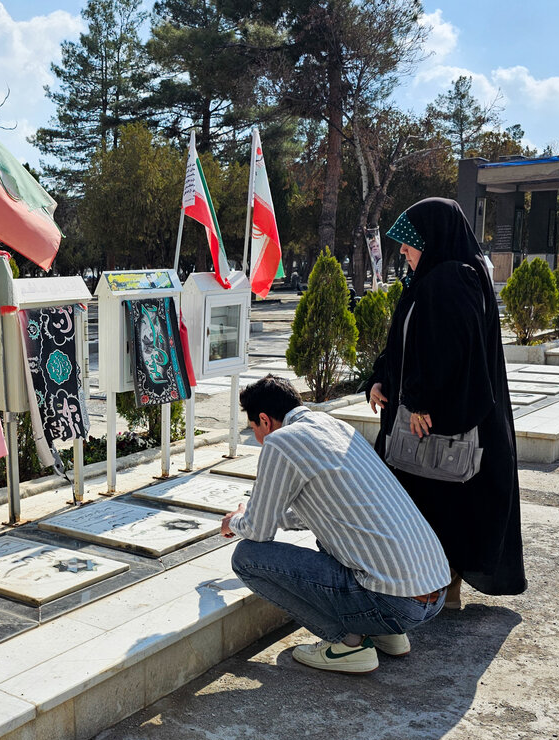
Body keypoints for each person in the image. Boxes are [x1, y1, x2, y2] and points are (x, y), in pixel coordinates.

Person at [222, 376, 451, 675]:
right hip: (433, 591)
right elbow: (320, 512)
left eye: (254, 429)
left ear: (264, 420)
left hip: (395, 604)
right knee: (329, 537)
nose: (257, 438)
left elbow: (257, 532)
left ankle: (349, 644)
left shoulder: (280, 442)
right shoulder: (336, 426)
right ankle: (388, 635)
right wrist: (263, 514)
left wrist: (236, 520)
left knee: (246, 558)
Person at [365, 197, 526, 607]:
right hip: (427, 416)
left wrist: (420, 401)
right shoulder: (441, 276)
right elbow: (407, 340)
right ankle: (436, 585)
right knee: (432, 503)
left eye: (409, 241)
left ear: (433, 238)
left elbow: (453, 351)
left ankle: (439, 587)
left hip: (437, 421)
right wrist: (382, 378)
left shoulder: (452, 278)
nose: (403, 250)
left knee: (439, 504)